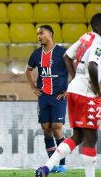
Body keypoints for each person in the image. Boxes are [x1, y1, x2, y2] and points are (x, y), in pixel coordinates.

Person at [35, 13, 101, 177]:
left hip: (73, 90)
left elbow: (67, 56)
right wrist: (97, 90)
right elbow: (93, 66)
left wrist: (77, 78)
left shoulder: (86, 37)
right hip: (87, 94)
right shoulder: (99, 42)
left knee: (77, 136)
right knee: (90, 138)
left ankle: (46, 167)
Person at [25, 25, 69, 173]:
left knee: (57, 129)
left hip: (58, 97)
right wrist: (33, 88)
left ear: (49, 35)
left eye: (41, 33)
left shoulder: (62, 52)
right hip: (43, 97)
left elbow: (74, 70)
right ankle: (52, 163)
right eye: (38, 34)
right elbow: (28, 70)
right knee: (46, 130)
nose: (38, 36)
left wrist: (68, 90)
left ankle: (62, 164)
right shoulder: (36, 54)